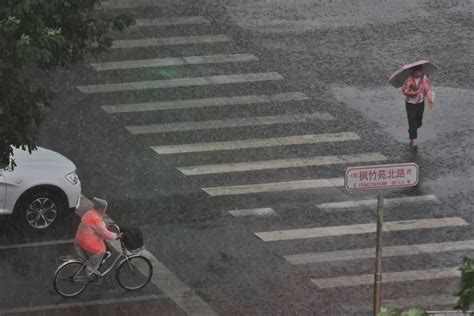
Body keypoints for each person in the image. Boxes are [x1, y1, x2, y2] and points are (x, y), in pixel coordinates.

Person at [74, 197, 119, 282]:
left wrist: (105, 225)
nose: (105, 210)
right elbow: (106, 234)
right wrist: (117, 236)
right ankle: (90, 274)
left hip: (80, 240)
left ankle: (89, 266)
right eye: (104, 209)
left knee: (93, 257)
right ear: (101, 208)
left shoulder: (90, 213)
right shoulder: (96, 218)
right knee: (101, 251)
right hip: (88, 243)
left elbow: (96, 226)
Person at [402, 65, 434, 150]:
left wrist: (430, 99)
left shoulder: (424, 78)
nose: (418, 73)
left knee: (418, 121)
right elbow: (404, 91)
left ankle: (412, 130)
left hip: (420, 102)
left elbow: (427, 89)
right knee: (412, 121)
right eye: (416, 72)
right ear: (413, 71)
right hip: (410, 104)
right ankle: (414, 141)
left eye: (420, 71)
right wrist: (413, 93)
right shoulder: (408, 79)